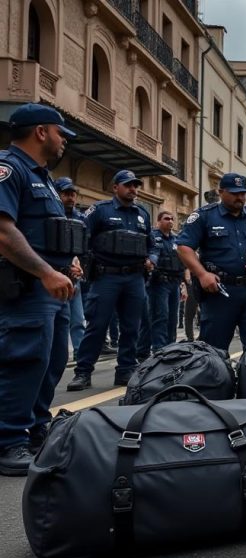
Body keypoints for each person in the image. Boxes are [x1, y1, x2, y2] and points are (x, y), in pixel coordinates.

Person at [0, 104, 78, 475]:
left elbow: (45, 231)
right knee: (24, 359)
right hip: (27, 287)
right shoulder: (9, 168)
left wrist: (66, 264)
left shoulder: (43, 176)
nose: (65, 141)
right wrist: (46, 272)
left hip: (52, 288)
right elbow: (3, 231)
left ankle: (34, 430)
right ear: (41, 132)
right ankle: (8, 440)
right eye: (61, 133)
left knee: (50, 362)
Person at [67, 169, 156, 391]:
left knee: (131, 327)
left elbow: (152, 244)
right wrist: (79, 262)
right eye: (128, 185)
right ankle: (83, 372)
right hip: (106, 277)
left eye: (135, 185)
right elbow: (81, 237)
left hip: (135, 278)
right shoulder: (99, 210)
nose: (133, 189)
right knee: (97, 326)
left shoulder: (143, 214)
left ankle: (126, 370)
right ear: (115, 187)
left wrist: (151, 259)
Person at [176, 173, 246, 352]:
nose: (239, 197)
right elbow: (183, 247)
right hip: (220, 292)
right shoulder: (205, 216)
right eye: (234, 193)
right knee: (214, 349)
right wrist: (202, 274)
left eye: (242, 193)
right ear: (221, 192)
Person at [144, 211, 186, 352]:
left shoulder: (176, 240)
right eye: (167, 218)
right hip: (159, 283)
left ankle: (171, 347)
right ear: (159, 222)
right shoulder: (153, 238)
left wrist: (183, 284)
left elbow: (182, 263)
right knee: (160, 316)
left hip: (174, 283)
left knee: (172, 318)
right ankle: (159, 349)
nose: (170, 221)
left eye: (172, 219)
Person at [55, 177, 87, 360]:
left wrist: (80, 266)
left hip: (74, 278)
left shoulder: (81, 218)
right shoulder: (49, 212)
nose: (71, 198)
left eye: (73, 194)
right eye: (66, 194)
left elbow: (83, 247)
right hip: (53, 275)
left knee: (77, 319)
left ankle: (79, 353)